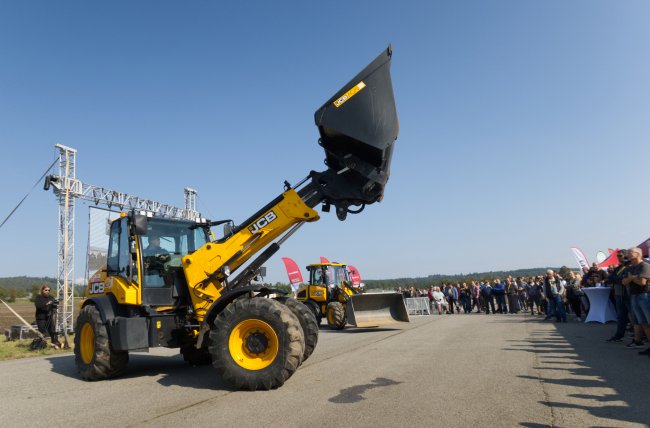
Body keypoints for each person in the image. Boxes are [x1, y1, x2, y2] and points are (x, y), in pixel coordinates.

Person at [622, 247, 650, 354]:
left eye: (631, 252)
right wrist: (633, 277)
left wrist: (631, 278)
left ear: (638, 254)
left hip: (645, 295)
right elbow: (624, 282)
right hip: (634, 296)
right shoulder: (629, 268)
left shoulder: (645, 266)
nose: (628, 254)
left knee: (648, 321)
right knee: (643, 323)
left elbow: (642, 282)